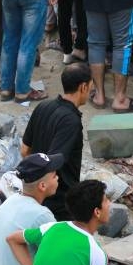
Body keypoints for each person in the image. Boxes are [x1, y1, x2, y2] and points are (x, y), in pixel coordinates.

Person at [21, 63, 92, 219]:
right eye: (91, 85)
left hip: (38, 197)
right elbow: (53, 162)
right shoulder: (71, 121)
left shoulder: (43, 106)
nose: (91, 90)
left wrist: (35, 188)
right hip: (60, 203)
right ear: (83, 87)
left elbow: (25, 150)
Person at [6, 179, 111, 265]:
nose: (109, 203)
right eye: (106, 200)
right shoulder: (97, 254)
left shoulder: (51, 228)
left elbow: (12, 239)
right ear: (97, 212)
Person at [0, 153, 62, 265]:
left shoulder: (11, 200)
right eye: (54, 176)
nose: (58, 178)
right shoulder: (42, 215)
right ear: (42, 186)